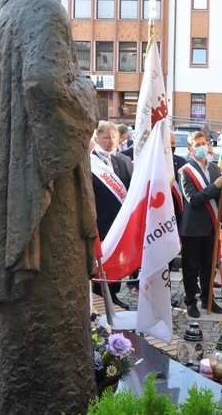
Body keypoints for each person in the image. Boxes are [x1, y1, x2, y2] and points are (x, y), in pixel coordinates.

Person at [0, 0, 99, 414]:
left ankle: (11, 397)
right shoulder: (45, 9)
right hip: (45, 191)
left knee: (26, 316)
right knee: (53, 302)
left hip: (12, 187)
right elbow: (47, 89)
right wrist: (88, 92)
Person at [179, 131, 222, 318]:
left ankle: (208, 299)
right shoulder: (185, 171)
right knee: (190, 268)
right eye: (197, 144)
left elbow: (221, 195)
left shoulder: (216, 169)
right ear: (190, 148)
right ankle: (190, 301)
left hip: (212, 225)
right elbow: (193, 199)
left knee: (208, 267)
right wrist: (215, 186)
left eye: (204, 143)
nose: (202, 147)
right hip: (192, 228)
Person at [90, 121, 133, 310]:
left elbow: (130, 190)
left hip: (120, 221)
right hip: (101, 222)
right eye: (106, 138)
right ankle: (99, 297)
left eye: (114, 137)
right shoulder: (90, 162)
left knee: (118, 259)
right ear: (97, 138)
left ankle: (114, 295)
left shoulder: (123, 161)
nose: (110, 141)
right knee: (100, 262)